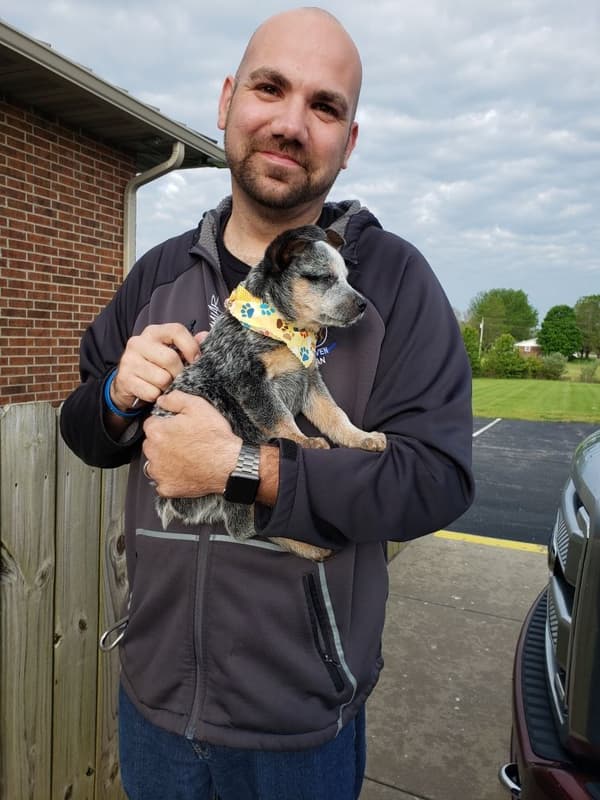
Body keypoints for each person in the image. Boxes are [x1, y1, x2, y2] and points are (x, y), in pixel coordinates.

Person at [60, 7, 474, 799]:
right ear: (227, 101)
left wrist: (242, 467)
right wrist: (115, 394)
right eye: (269, 88)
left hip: (298, 731)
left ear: (349, 140)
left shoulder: (394, 285)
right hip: (153, 705)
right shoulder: (156, 275)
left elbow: (435, 480)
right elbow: (83, 427)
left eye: (325, 106)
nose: (290, 123)